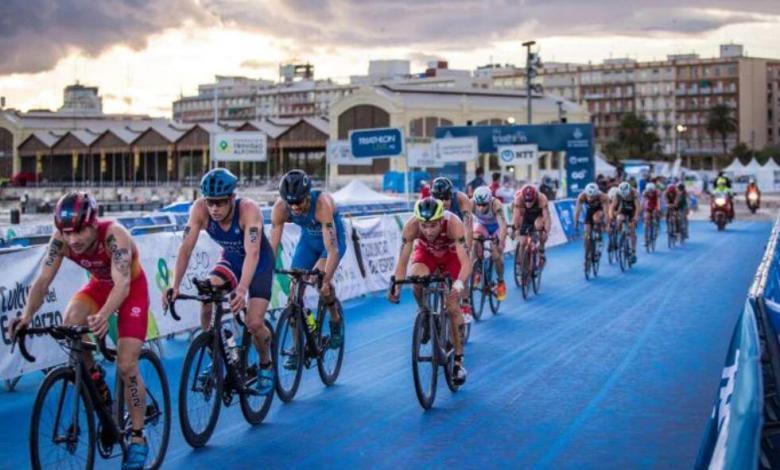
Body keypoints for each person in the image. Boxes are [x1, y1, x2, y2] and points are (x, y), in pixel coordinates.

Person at [12, 192, 151, 469]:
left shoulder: (114, 236)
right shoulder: (61, 240)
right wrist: (27, 315)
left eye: (78, 232)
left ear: (92, 224)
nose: (72, 240)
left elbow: (122, 285)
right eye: (67, 233)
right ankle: (98, 384)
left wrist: (103, 315)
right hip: (100, 286)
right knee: (70, 323)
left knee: (126, 364)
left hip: (130, 288)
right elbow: (42, 281)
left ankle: (138, 436)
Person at [165, 168, 276, 395]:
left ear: (232, 199)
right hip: (232, 259)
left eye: (220, 203)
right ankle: (215, 351)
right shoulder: (199, 210)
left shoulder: (248, 210)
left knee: (254, 323)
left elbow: (253, 254)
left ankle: (266, 363)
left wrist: (242, 288)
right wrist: (174, 285)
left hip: (259, 263)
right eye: (210, 202)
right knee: (207, 294)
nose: (214, 209)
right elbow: (185, 248)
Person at [388, 198, 471, 385]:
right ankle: (425, 312)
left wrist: (458, 285)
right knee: (416, 279)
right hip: (427, 255)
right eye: (424, 226)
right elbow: (402, 261)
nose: (428, 231)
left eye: (433, 226)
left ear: (441, 220)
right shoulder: (411, 226)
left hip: (451, 257)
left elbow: (466, 262)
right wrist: (397, 285)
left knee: (451, 306)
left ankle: (458, 361)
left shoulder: (454, 224)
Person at [270, 169, 346, 369]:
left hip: (330, 243)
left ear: (307, 196)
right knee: (293, 296)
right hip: (308, 242)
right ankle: (297, 346)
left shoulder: (322, 205)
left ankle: (335, 319)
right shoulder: (281, 208)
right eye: (290, 202)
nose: (294, 207)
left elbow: (332, 250)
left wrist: (325, 278)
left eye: (298, 202)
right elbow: (273, 247)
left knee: (322, 286)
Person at [471, 186, 509, 301]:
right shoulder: (471, 204)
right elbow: (466, 224)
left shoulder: (496, 205)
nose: (481, 208)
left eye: (484, 205)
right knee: (474, 242)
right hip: (482, 226)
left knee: (496, 254)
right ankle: (477, 271)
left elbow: (503, 226)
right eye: (479, 205)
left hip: (496, 227)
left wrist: (501, 244)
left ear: (489, 201)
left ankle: (501, 281)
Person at [512, 184, 551, 267]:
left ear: (535, 196)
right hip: (526, 216)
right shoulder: (518, 199)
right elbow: (516, 217)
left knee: (540, 227)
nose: (528, 203)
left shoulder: (542, 199)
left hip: (538, 216)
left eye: (531, 201)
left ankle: (541, 252)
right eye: (526, 201)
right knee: (522, 242)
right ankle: (521, 264)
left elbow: (547, 218)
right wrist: (515, 229)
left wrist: (546, 232)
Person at [430, 177, 473, 248]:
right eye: (440, 199)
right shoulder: (429, 204)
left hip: (460, 231)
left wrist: (467, 250)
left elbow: (468, 227)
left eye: (446, 198)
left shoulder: (461, 199)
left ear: (451, 195)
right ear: (434, 198)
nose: (443, 203)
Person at [574, 183, 610, 263]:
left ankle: (599, 240)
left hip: (600, 209)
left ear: (597, 193)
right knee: (587, 233)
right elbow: (577, 211)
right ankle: (587, 250)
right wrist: (575, 222)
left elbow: (606, 213)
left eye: (592, 196)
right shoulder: (582, 196)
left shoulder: (603, 197)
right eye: (589, 196)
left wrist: (607, 224)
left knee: (596, 219)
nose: (590, 198)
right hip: (590, 211)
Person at [610, 182, 641, 264]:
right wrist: (611, 217)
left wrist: (635, 218)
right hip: (623, 208)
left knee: (632, 231)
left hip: (632, 209)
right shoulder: (617, 194)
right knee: (619, 218)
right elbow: (612, 207)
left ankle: (633, 251)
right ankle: (621, 233)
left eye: (627, 195)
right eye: (624, 195)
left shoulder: (634, 193)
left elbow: (638, 208)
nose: (626, 197)